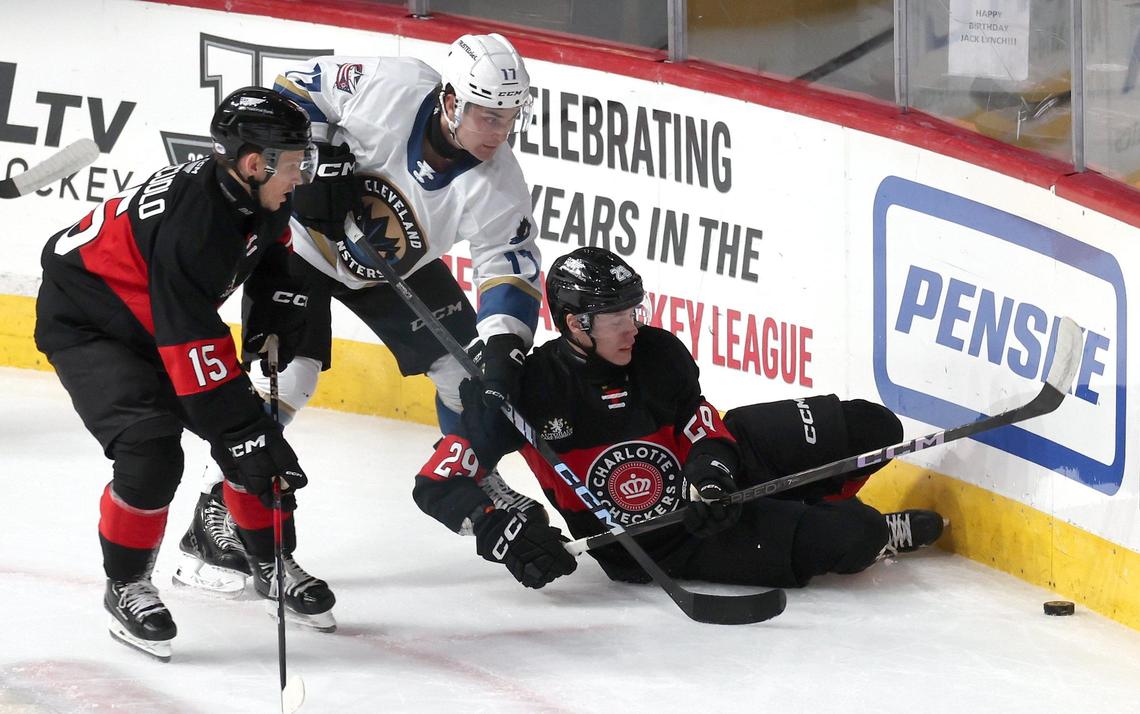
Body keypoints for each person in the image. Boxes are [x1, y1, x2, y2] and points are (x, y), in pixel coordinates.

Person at [173, 34, 549, 605]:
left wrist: (504, 344)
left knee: (468, 373)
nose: (498, 134)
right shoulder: (389, 85)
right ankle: (215, 511)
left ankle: (469, 468)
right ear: (451, 100)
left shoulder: (500, 186)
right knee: (290, 379)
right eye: (487, 117)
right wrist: (317, 160)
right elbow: (296, 93)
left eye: (508, 119)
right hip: (299, 246)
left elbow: (509, 267)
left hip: (394, 267)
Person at [412, 247, 945, 591]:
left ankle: (805, 502)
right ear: (576, 323)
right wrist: (499, 528)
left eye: (633, 311)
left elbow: (702, 427)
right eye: (617, 317)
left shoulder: (658, 352)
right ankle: (854, 528)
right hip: (659, 539)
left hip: (715, 473)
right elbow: (438, 481)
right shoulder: (527, 391)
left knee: (872, 427)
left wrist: (712, 472)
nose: (632, 327)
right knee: (859, 534)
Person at [34, 87, 327, 660]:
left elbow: (270, 253)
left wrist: (270, 315)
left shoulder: (259, 195)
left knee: (249, 440)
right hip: (90, 322)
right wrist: (242, 432)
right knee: (154, 450)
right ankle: (127, 585)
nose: (301, 175)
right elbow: (189, 338)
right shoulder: (197, 224)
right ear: (252, 162)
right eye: (293, 164)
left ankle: (267, 562)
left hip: (153, 317)